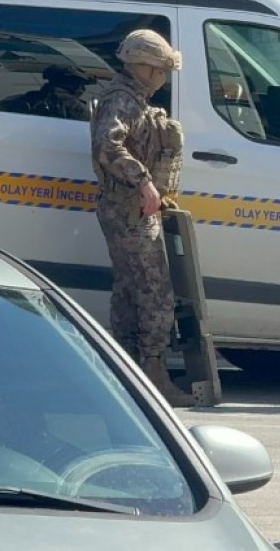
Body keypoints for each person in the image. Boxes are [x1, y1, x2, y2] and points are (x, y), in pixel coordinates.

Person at [91, 29, 191, 407]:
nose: (164, 77)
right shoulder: (124, 101)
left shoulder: (133, 99)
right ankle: (152, 373)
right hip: (129, 208)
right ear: (145, 68)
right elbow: (107, 144)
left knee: (130, 290)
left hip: (127, 208)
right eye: (161, 70)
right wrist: (145, 182)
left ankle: (129, 372)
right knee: (154, 294)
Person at [6, 64, 94, 121]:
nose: (82, 89)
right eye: (80, 85)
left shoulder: (27, 98)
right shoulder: (78, 109)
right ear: (73, 85)